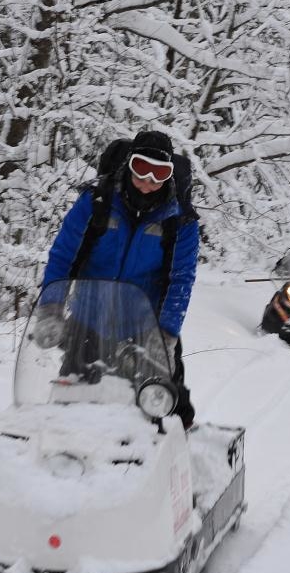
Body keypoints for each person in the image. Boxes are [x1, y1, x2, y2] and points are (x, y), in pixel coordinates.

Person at [37, 129, 200, 429]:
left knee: (165, 408)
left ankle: (176, 462)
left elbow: (181, 280)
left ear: (169, 175)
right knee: (70, 405)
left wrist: (165, 335)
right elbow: (63, 257)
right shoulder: (95, 202)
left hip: (147, 328)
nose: (148, 182)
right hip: (89, 321)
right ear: (128, 164)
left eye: (159, 173)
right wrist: (51, 309)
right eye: (141, 169)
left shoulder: (180, 220)